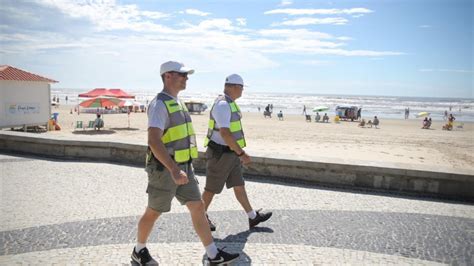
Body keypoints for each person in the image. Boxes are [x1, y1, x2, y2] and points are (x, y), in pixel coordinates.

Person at [132, 61, 239, 265]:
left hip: (183, 168)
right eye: (181, 74)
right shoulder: (159, 104)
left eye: (186, 75)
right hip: (165, 169)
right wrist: (173, 169)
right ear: (167, 76)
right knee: (154, 211)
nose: (186, 78)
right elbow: (153, 141)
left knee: (198, 207)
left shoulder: (178, 102)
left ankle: (213, 254)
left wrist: (182, 168)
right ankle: (139, 250)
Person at [203, 74, 272, 233]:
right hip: (221, 154)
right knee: (211, 189)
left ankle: (252, 216)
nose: (242, 91)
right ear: (234, 87)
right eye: (241, 88)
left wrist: (237, 153)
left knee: (239, 185)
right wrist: (242, 153)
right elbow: (225, 133)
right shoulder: (223, 105)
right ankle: (200, 217)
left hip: (230, 153)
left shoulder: (229, 103)